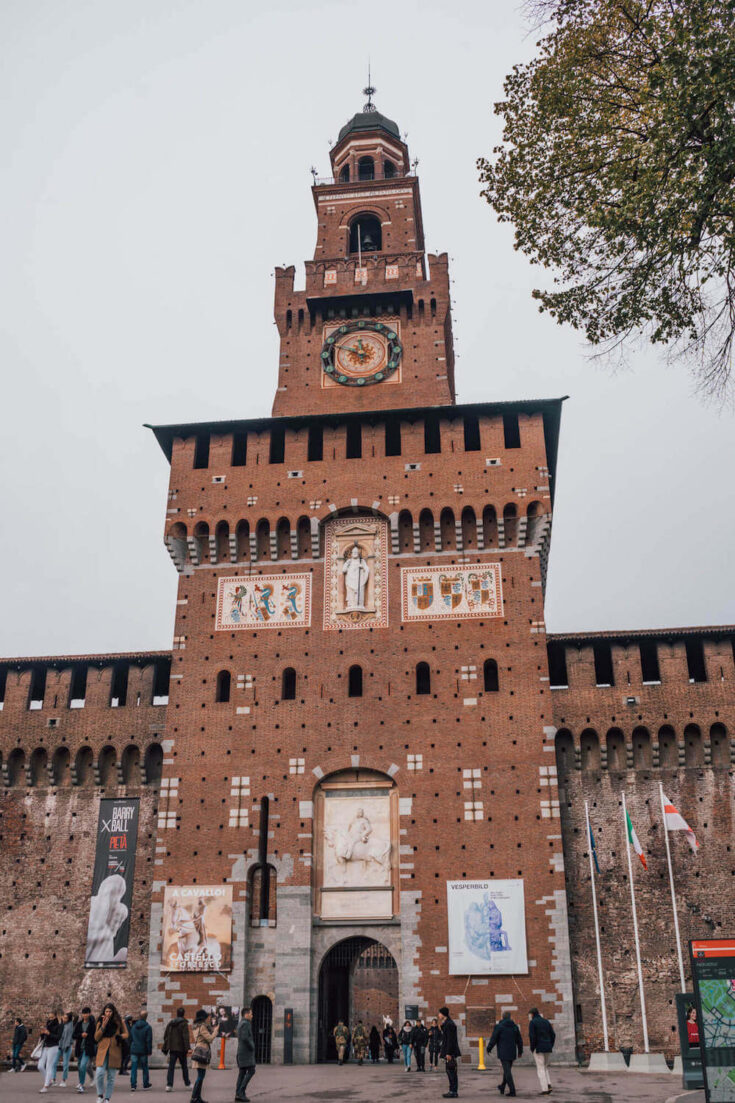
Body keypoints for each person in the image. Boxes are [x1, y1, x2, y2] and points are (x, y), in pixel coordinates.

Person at [94, 1002, 128, 1102]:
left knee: (111, 1077)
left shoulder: (119, 1022)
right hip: (102, 1050)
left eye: (110, 1011)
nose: (108, 1013)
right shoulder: (100, 1021)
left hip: (114, 1051)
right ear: (104, 1012)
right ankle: (100, 1095)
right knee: (99, 1074)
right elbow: (96, 1037)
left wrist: (120, 1036)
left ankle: (107, 1098)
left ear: (113, 1012)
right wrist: (103, 1026)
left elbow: (126, 1034)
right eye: (106, 1011)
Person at [487, 1011, 523, 1097]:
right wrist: (520, 1051)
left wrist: (489, 1047)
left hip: (503, 1052)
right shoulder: (515, 1027)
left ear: (502, 1017)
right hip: (512, 1052)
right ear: (510, 1017)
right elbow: (519, 1040)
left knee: (507, 1071)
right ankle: (502, 1086)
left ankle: (512, 1091)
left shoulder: (499, 1027)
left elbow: (494, 1038)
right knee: (507, 1070)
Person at [189, 1008, 218, 1103]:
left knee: (201, 1075)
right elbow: (210, 1039)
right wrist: (215, 1031)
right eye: (206, 1017)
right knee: (200, 1076)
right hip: (202, 1052)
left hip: (199, 1050)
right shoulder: (202, 1027)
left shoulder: (195, 1026)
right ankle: (194, 1098)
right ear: (203, 1018)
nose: (207, 1019)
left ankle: (198, 1098)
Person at [163, 1007, 192, 1091]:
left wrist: (168, 1044)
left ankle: (169, 1085)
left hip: (172, 1048)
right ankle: (187, 1084)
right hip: (181, 1049)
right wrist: (188, 1048)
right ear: (183, 1014)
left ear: (177, 1013)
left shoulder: (171, 1023)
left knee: (171, 1067)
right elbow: (185, 1037)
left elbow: (165, 1035)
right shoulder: (184, 1023)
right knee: (184, 1067)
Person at [528, 1007, 555, 1096]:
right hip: (547, 1047)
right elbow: (553, 1034)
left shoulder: (532, 1023)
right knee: (545, 1067)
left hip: (538, 1047)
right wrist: (550, 1044)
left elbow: (532, 1037)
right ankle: (548, 1084)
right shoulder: (546, 1021)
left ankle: (545, 1089)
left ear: (532, 1014)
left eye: (529, 1015)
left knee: (540, 1068)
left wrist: (532, 1048)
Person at [438, 1005, 461, 1099]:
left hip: (450, 1052)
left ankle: (453, 1091)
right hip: (448, 1050)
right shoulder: (447, 1023)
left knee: (451, 1071)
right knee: (450, 1071)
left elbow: (450, 1040)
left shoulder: (449, 1024)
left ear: (443, 1014)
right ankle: (452, 1090)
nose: (438, 1015)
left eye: (439, 1013)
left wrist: (448, 1053)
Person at [73, 1006, 97, 1093]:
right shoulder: (79, 1024)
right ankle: (80, 1083)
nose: (85, 1015)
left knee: (83, 1065)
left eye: (86, 1013)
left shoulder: (92, 1025)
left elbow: (95, 1038)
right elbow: (74, 1035)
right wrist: (81, 1035)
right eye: (83, 1013)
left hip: (87, 1049)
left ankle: (82, 1084)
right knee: (80, 1067)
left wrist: (87, 1036)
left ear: (89, 1014)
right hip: (79, 1048)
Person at [38, 1010, 62, 1093]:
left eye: (52, 1017)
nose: (50, 1019)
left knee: (49, 1066)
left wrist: (49, 1034)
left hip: (54, 1047)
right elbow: (43, 1037)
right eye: (49, 1017)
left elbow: (58, 1038)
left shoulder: (59, 1026)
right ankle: (50, 1080)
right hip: (45, 1046)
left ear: (55, 1017)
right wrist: (42, 1033)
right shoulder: (48, 1024)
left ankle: (45, 1086)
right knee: (40, 1065)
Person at [235, 1005, 255, 1102]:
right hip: (245, 1053)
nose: (252, 1015)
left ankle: (238, 1094)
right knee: (251, 1070)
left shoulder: (241, 1023)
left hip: (242, 1052)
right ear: (246, 1014)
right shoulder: (245, 1024)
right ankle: (241, 1092)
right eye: (251, 1014)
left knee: (242, 1073)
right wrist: (252, 1046)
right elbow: (245, 1038)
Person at [129, 1010, 153, 1092]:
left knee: (134, 1068)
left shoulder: (134, 1027)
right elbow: (148, 1040)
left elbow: (130, 1038)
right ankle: (145, 1084)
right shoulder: (148, 1027)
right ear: (146, 1017)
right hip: (143, 1050)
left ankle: (133, 1085)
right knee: (144, 1067)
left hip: (134, 1049)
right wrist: (149, 1051)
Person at [52, 1012, 75, 1087]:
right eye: (63, 1017)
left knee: (65, 1064)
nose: (64, 1019)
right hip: (60, 1046)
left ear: (69, 1019)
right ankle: (53, 1079)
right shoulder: (61, 1025)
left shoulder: (71, 1025)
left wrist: (71, 1013)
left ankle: (63, 1080)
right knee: (54, 1063)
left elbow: (77, 1017)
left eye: (66, 1018)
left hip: (67, 1046)